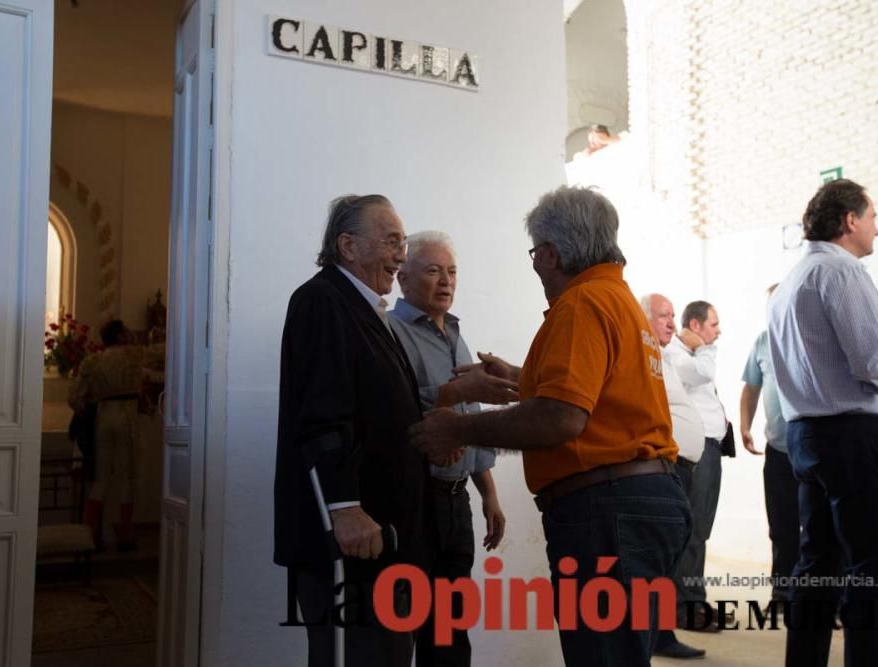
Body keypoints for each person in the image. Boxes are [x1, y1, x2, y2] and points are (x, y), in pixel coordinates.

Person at [409, 186, 690, 667]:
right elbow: (599, 398)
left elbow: (562, 418)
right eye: (432, 269)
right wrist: (523, 378)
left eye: (536, 253)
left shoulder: (581, 306)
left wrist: (457, 430)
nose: (535, 264)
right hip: (638, 502)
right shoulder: (617, 299)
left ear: (553, 254)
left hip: (605, 511)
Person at [273, 194, 435, 667]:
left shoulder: (366, 309)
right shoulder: (322, 301)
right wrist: (344, 508)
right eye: (390, 242)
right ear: (348, 245)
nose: (401, 256)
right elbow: (322, 414)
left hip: (384, 540)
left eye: (402, 242)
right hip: (351, 541)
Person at [768, 179, 878, 667]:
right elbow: (871, 365)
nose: (877, 228)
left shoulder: (791, 281)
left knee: (818, 568)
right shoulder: (842, 274)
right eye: (873, 217)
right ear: (850, 220)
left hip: (806, 437)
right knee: (874, 571)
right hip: (853, 437)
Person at [388, 230, 516, 667]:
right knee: (401, 628)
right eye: (432, 271)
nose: (446, 281)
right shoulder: (388, 331)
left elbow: (467, 419)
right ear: (403, 278)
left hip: (456, 502)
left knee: (451, 630)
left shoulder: (455, 333)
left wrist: (490, 496)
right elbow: (396, 410)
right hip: (413, 503)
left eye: (452, 272)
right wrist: (453, 391)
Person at [640, 294, 706, 660]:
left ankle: (662, 633)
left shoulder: (664, 358)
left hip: (682, 466)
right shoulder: (641, 354)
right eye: (663, 316)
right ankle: (655, 637)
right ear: (644, 318)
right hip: (665, 466)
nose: (671, 322)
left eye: (671, 316)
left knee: (673, 557)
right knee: (659, 560)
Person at [663, 299, 732, 630]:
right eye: (714, 324)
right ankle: (684, 608)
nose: (719, 331)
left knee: (700, 530)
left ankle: (694, 602)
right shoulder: (677, 354)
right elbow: (703, 372)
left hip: (711, 450)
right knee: (692, 530)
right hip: (697, 452)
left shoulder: (689, 354)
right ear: (695, 327)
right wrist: (705, 350)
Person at [739, 284, 798, 604]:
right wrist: (745, 426)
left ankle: (822, 596)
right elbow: (751, 388)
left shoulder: (811, 336)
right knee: (782, 523)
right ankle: (783, 590)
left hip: (815, 450)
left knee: (822, 529)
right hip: (778, 449)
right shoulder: (762, 342)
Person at [68, 319, 144, 550]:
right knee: (127, 477)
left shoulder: (93, 361)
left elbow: (73, 398)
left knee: (100, 478)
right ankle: (124, 532)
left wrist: (88, 411)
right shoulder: (135, 355)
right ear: (120, 336)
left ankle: (88, 534)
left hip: (103, 416)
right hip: (127, 416)